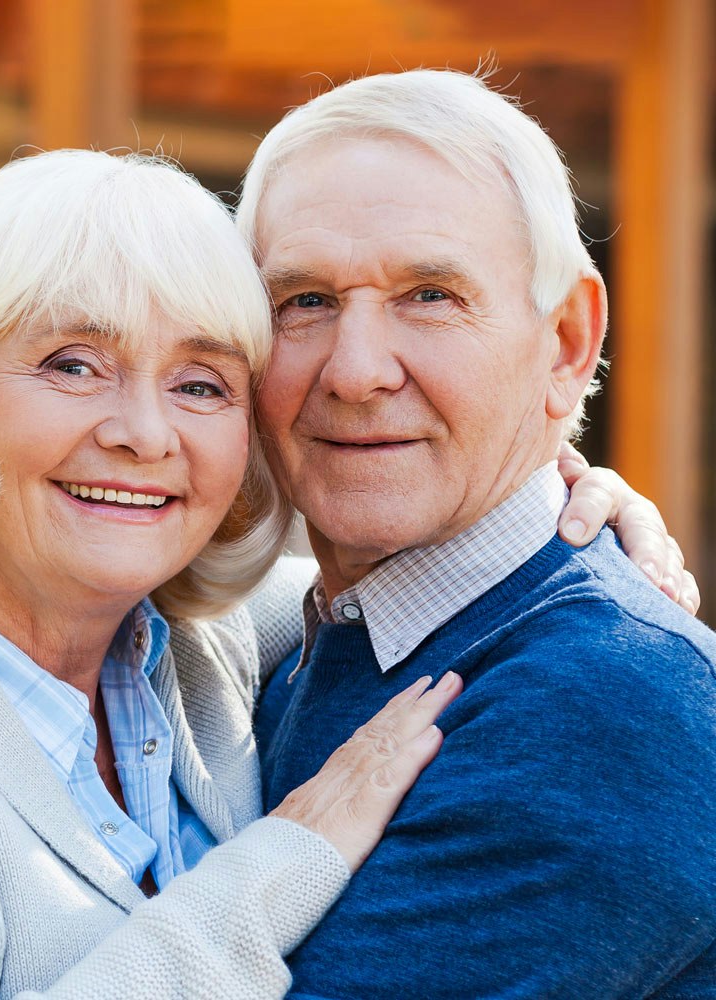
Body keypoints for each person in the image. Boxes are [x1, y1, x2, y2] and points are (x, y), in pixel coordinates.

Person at [0, 148, 688, 999]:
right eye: (71, 364)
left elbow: (417, 584)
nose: (144, 435)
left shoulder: (193, 644)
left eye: (199, 385)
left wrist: (557, 496)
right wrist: (278, 868)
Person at [245, 70, 716, 996]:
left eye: (429, 294)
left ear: (568, 342)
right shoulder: (288, 649)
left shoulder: (599, 698)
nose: (356, 370)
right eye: (304, 301)